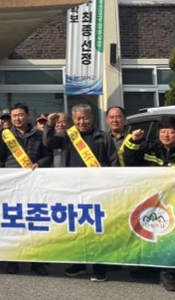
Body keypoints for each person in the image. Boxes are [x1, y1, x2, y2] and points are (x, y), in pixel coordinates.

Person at [45, 104, 118, 282]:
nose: (82, 122)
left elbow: (113, 160)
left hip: (97, 189)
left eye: (85, 118)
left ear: (92, 118)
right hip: (74, 189)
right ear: (73, 119)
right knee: (77, 227)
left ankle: (100, 267)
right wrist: (49, 125)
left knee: (97, 228)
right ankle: (79, 264)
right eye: (78, 118)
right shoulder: (67, 135)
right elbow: (48, 143)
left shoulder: (103, 136)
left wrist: (113, 182)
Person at [122, 115, 175, 291]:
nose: (166, 135)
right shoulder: (149, 147)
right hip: (149, 202)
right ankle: (149, 267)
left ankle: (168, 271)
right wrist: (134, 141)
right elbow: (130, 162)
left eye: (171, 132)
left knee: (171, 235)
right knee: (149, 232)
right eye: (163, 132)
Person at [0, 103, 53, 276]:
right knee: (14, 221)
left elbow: (48, 155)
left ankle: (36, 261)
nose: (17, 118)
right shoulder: (6, 134)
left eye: (20, 115)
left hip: (34, 183)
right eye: (14, 116)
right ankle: (13, 260)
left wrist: (39, 163)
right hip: (12, 184)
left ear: (27, 116)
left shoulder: (39, 134)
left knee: (35, 222)